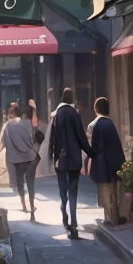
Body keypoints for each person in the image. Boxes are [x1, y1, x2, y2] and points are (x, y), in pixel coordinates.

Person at [48, 87, 92, 239]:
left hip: (61, 159)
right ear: (72, 99)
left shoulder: (56, 115)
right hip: (74, 159)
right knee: (73, 192)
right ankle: (74, 223)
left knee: (63, 192)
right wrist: (91, 152)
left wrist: (51, 157)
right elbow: (81, 137)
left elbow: (51, 138)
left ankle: (64, 218)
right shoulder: (74, 114)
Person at [89, 97, 125, 224]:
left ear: (96, 109)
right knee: (115, 190)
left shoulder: (93, 125)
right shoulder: (111, 124)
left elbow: (91, 146)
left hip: (102, 163)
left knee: (104, 190)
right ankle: (116, 215)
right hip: (115, 161)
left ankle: (108, 217)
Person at [0, 101, 39, 219]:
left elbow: (3, 141)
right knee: (31, 182)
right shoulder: (27, 123)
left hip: (16, 158)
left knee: (20, 182)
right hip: (28, 157)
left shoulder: (7, 125)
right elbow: (32, 139)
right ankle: (32, 205)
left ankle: (24, 206)